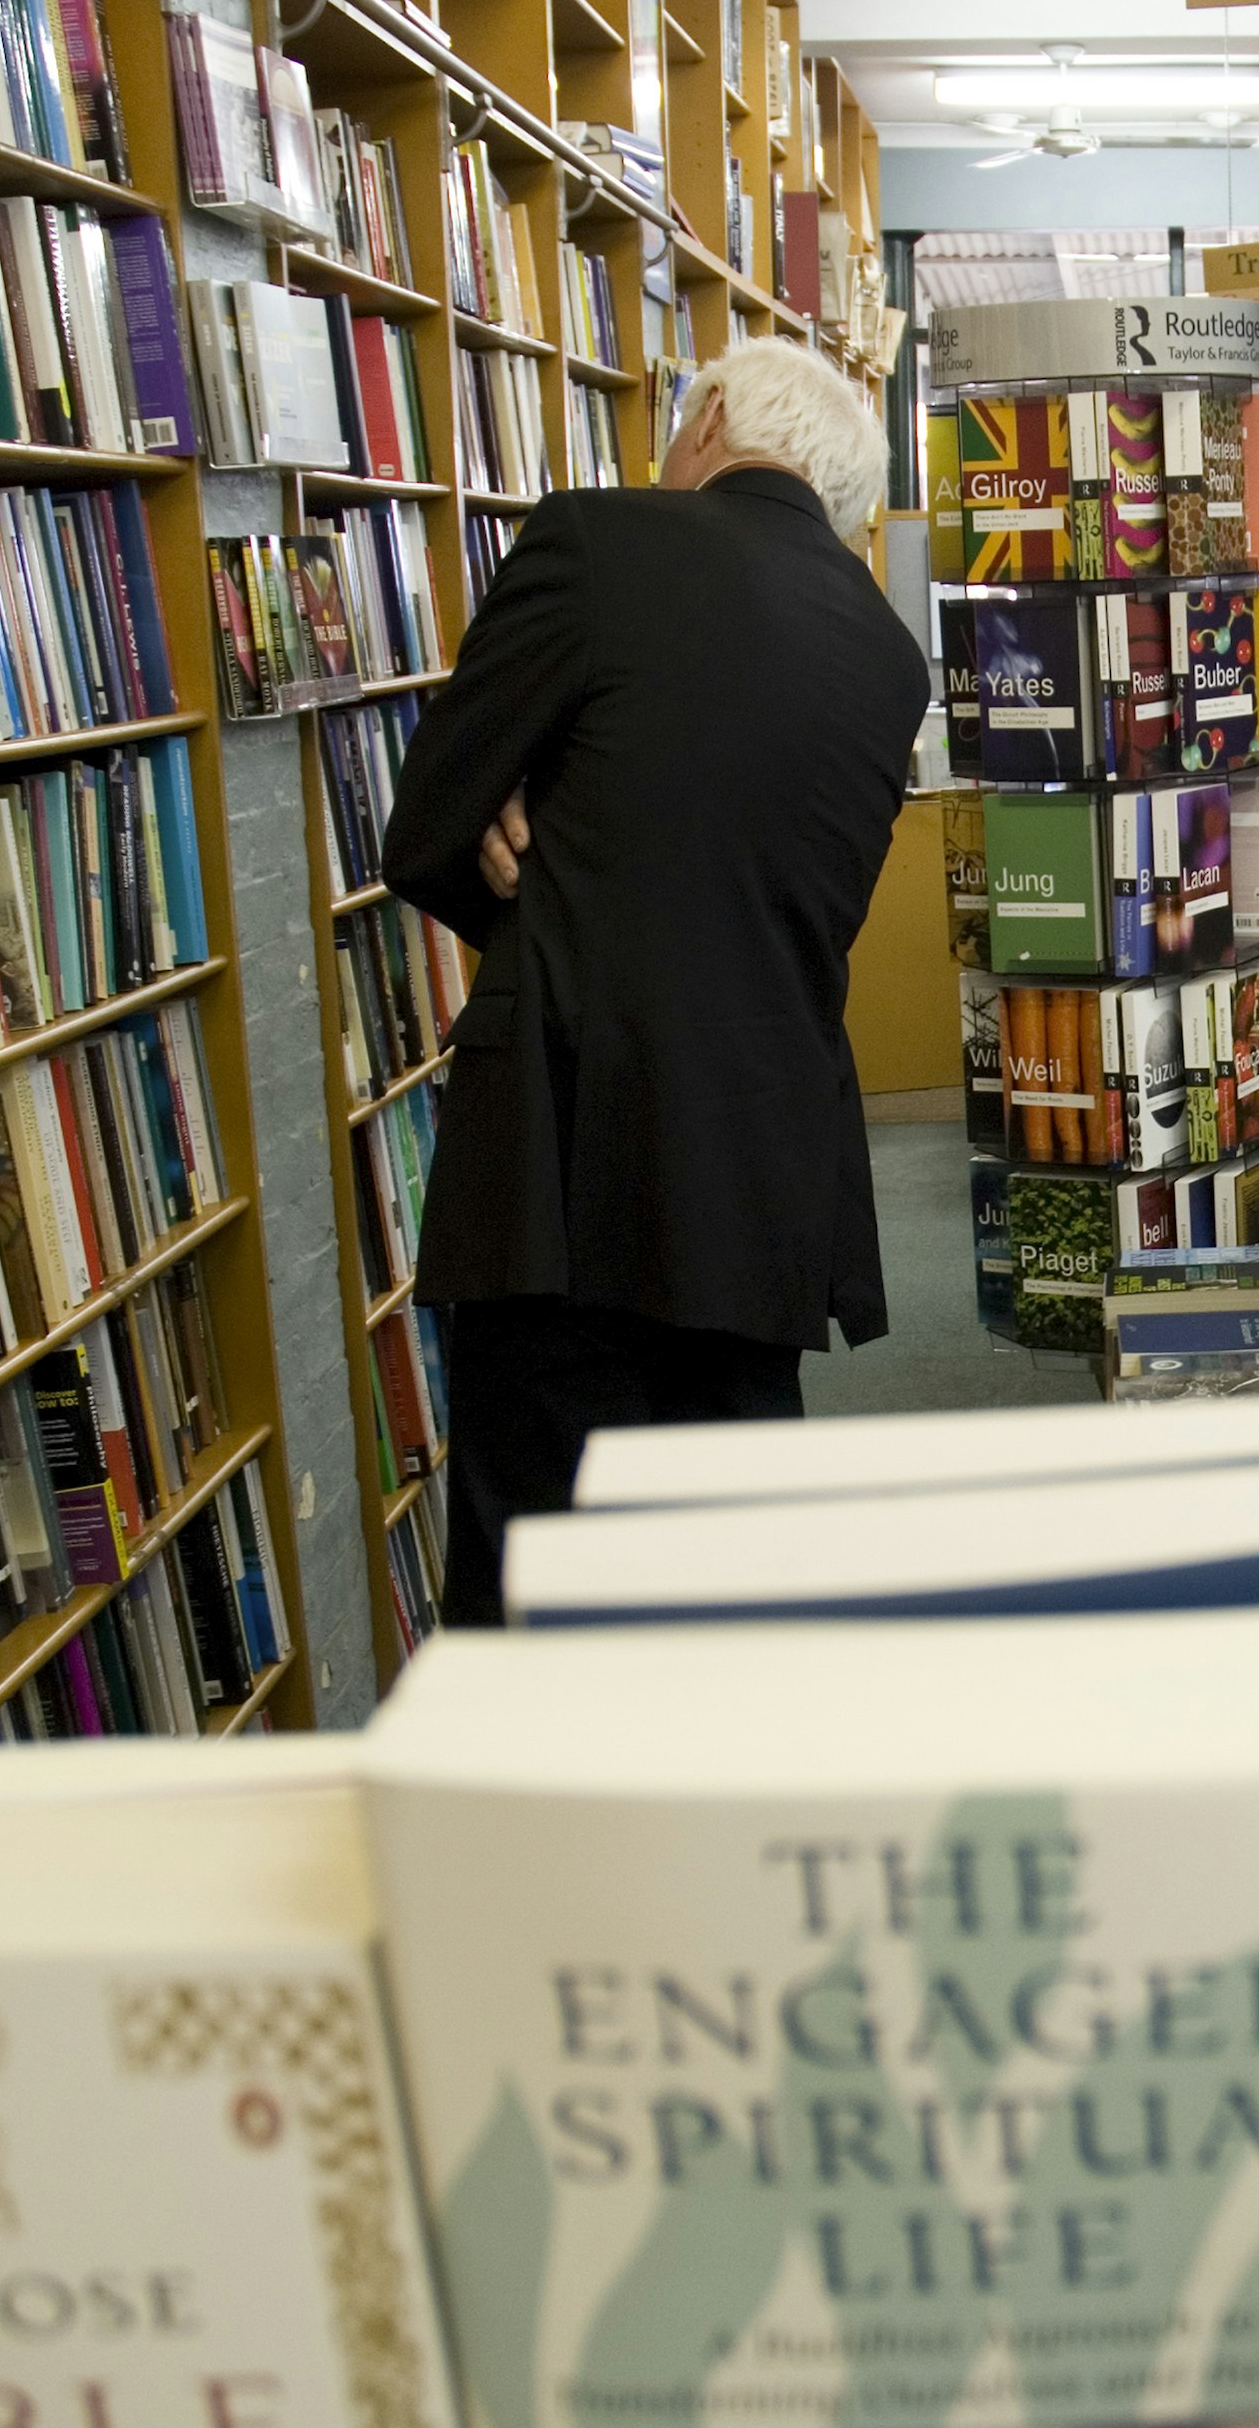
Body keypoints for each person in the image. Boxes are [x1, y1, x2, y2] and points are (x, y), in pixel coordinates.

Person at [382, 337, 923, 1623]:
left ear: (715, 419)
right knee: (729, 1573)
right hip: (766, 1174)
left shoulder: (596, 544)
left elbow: (422, 831)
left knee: (534, 1564)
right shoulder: (887, 659)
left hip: (565, 1155)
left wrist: (525, 851)